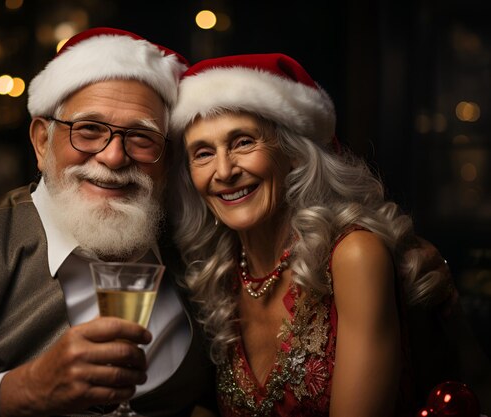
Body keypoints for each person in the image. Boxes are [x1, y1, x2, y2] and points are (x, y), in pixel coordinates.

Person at [0, 27, 217, 417]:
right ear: (42, 142)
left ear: (167, 161)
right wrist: (24, 390)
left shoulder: (197, 259)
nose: (114, 157)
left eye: (141, 137)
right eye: (89, 130)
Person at [167, 53, 459, 416]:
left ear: (293, 154)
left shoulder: (353, 255)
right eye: (203, 153)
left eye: (243, 142)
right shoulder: (219, 274)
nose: (224, 171)